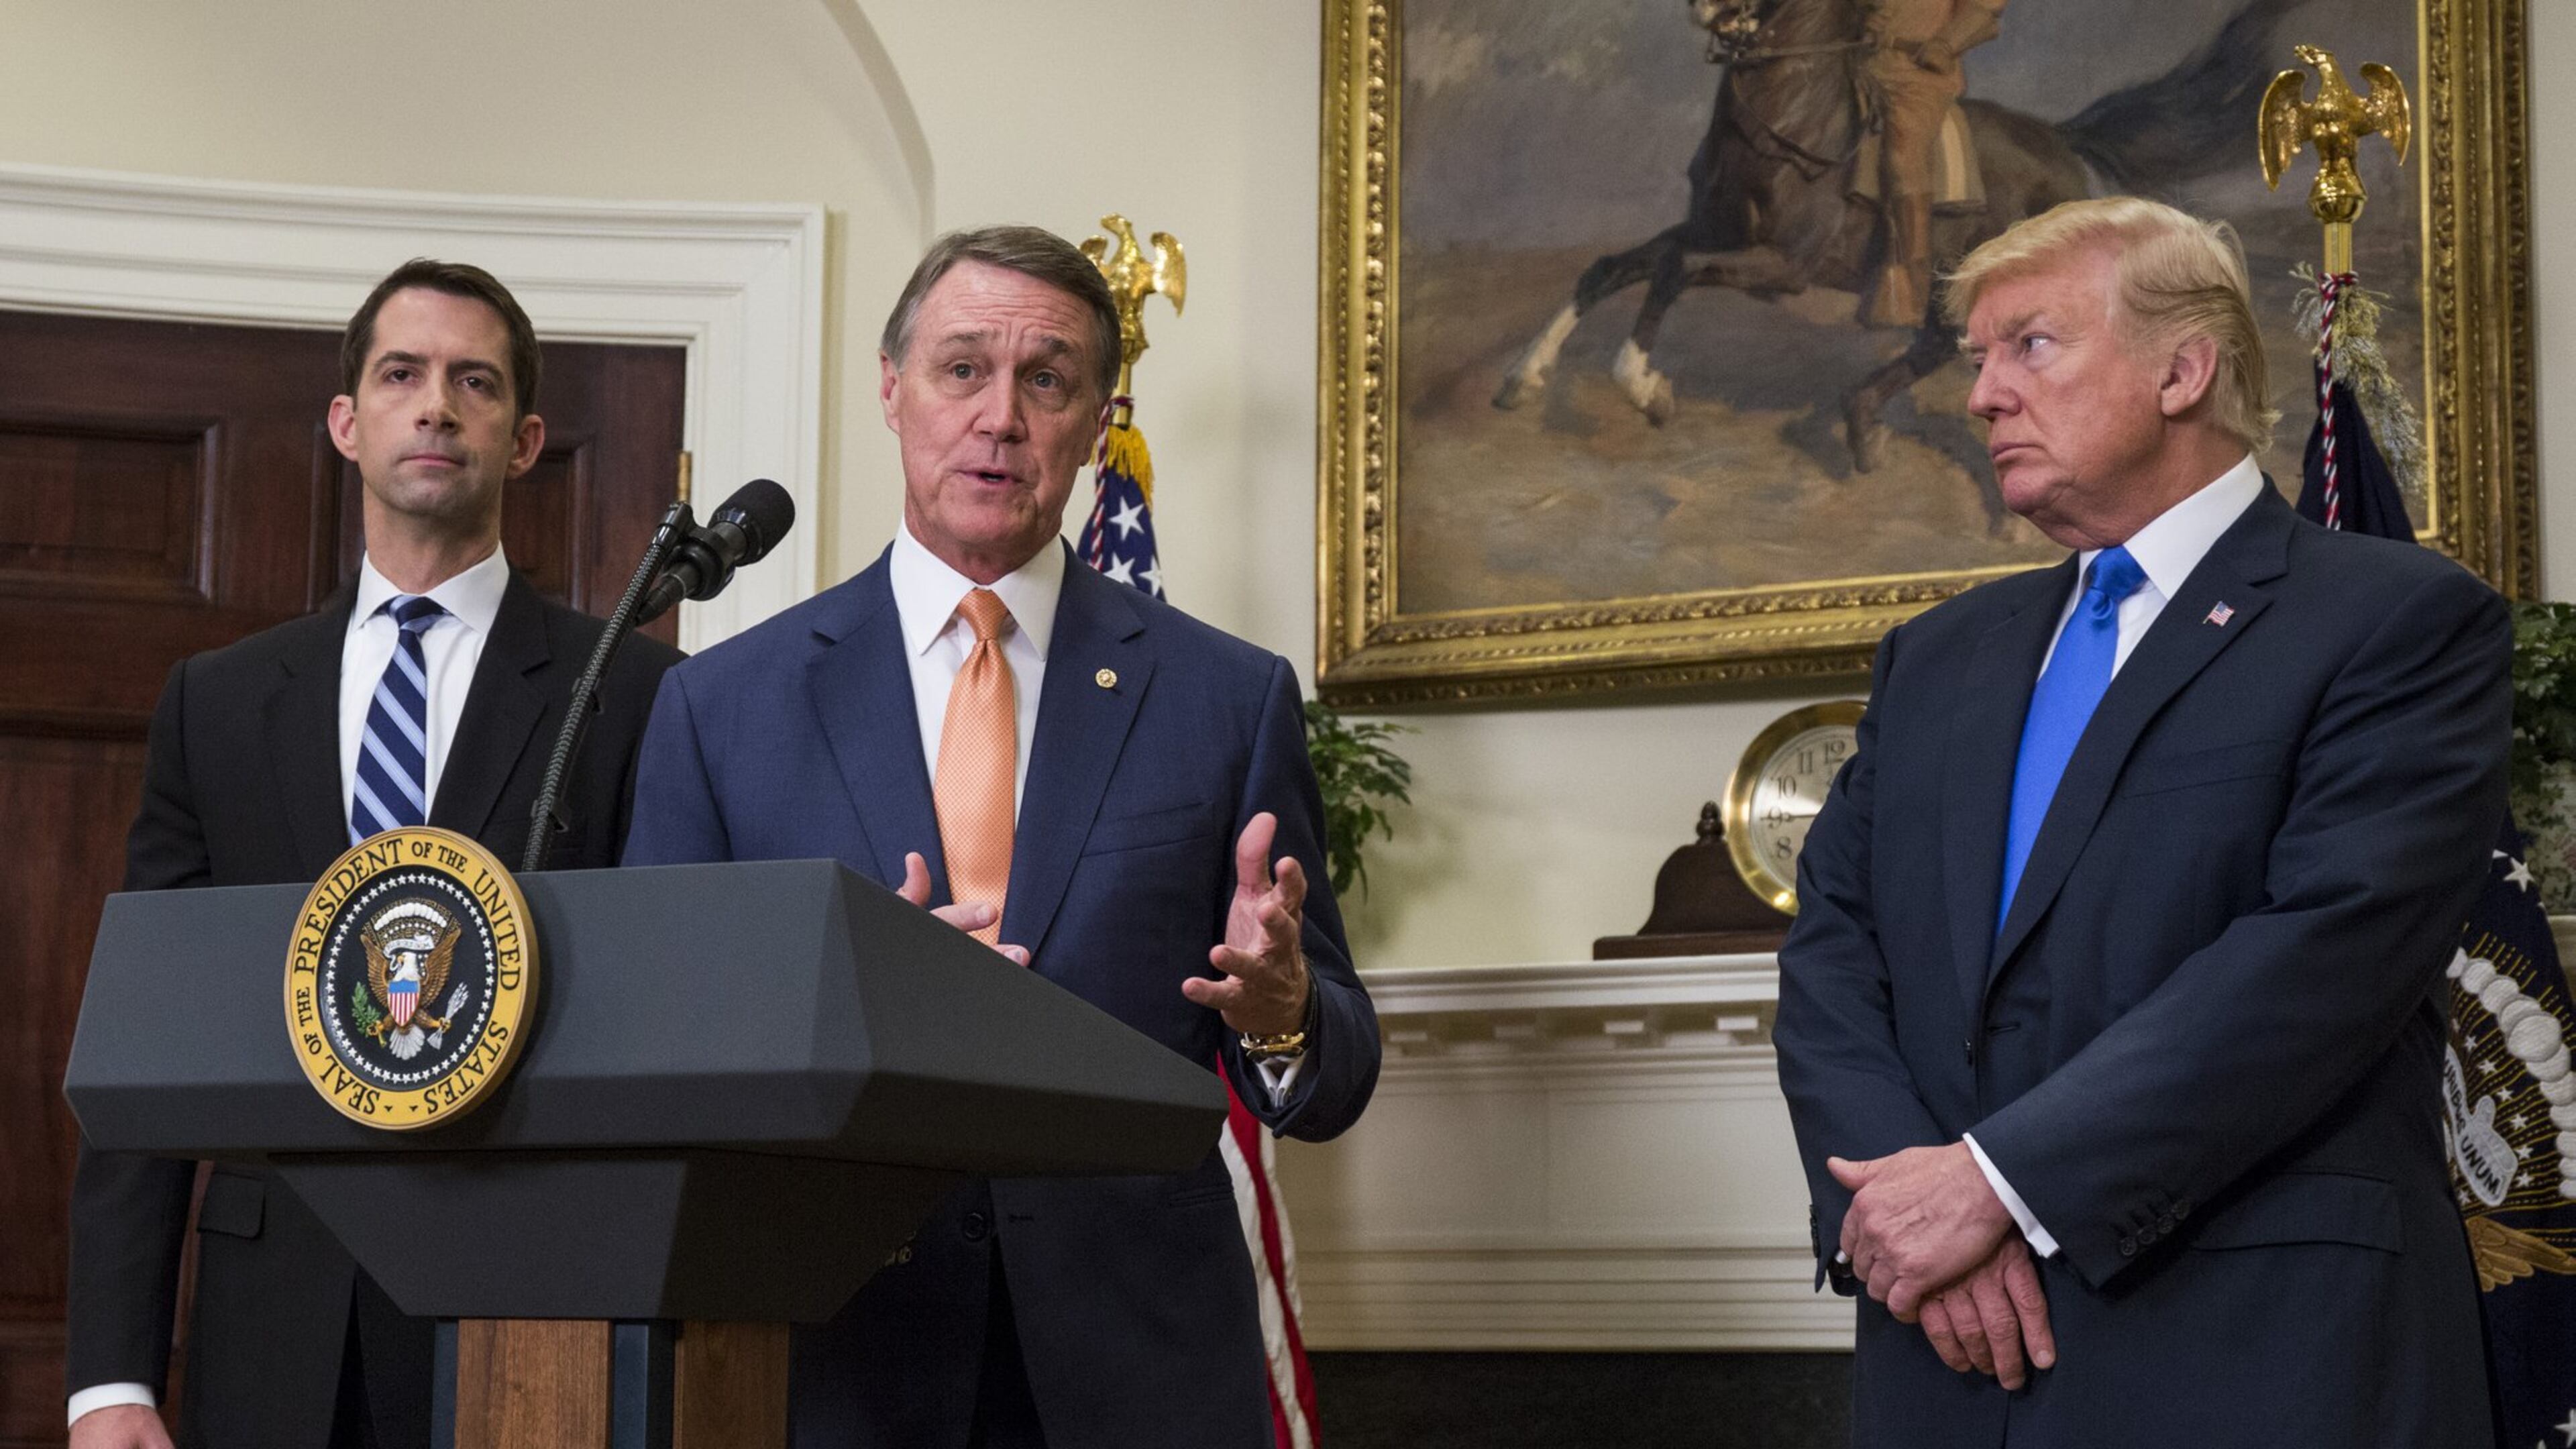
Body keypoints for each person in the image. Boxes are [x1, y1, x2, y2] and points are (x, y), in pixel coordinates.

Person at [619, 225, 1379, 1448]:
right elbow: (655, 1048)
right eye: (962, 369)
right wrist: (863, 1003)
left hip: (1138, 1370)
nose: (1001, 418)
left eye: (1048, 380)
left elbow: (1335, 1075)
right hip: (840, 1361)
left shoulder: (1225, 700)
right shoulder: (721, 707)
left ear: (1093, 422)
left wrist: (1282, 1010)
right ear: (891, 390)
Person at [1774, 197, 2507, 1446]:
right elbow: (1832, 955)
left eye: (2031, 346)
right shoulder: (1934, 661)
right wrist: (1914, 1216)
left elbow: (2324, 955)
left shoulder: (2394, 621)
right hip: (1944, 1355)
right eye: (1978, 360)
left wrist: (1997, 1184)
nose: (1983, 397)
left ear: (2184, 369)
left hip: (2257, 1353)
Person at [66, 260, 683, 1449]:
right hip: (268, 1316)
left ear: (525, 438)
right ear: (348, 423)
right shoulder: (220, 702)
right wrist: (112, 1379)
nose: (436, 405)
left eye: (475, 382)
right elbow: (151, 1036)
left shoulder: (637, 693)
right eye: (402, 374)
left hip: (530, 1319)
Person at [1860, 0, 2007, 327]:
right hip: (1861, 63)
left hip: (1918, 75)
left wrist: (1944, 45)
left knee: (1903, 158)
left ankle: (1909, 288)